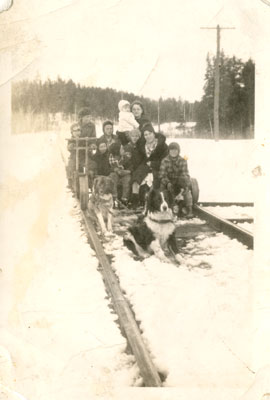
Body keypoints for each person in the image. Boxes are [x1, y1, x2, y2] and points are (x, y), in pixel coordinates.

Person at [131, 124, 168, 208]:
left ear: (154, 133)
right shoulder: (142, 146)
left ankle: (153, 202)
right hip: (144, 167)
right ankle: (135, 201)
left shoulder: (162, 145)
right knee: (136, 179)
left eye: (150, 134)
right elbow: (138, 160)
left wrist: (153, 164)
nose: (148, 136)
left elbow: (165, 161)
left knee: (155, 181)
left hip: (157, 168)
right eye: (145, 135)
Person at [159, 142, 193, 218]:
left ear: (178, 151)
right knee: (163, 190)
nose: (173, 152)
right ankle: (168, 207)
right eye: (171, 150)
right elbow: (162, 175)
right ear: (169, 151)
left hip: (179, 181)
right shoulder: (164, 161)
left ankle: (189, 209)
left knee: (187, 190)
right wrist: (168, 183)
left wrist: (184, 184)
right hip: (168, 182)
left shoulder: (183, 160)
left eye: (175, 150)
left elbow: (185, 173)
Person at [108, 142, 131, 207]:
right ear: (117, 151)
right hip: (115, 173)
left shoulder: (125, 157)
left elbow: (129, 165)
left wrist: (127, 171)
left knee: (127, 180)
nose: (123, 150)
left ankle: (125, 198)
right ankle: (114, 197)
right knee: (113, 177)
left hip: (124, 173)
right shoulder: (111, 158)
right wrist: (115, 170)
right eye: (122, 149)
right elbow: (110, 167)